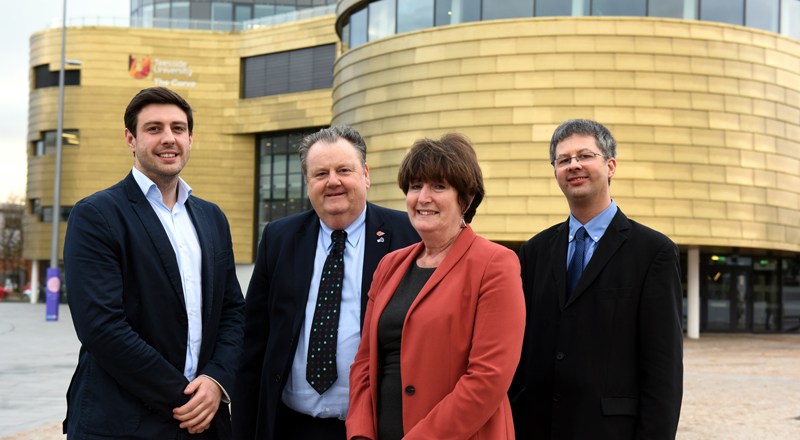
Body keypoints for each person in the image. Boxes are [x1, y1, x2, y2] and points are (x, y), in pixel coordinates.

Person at [62, 87, 246, 439]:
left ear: (191, 138)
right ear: (131, 138)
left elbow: (232, 311)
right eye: (154, 128)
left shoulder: (212, 218)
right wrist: (187, 399)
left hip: (206, 423)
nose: (168, 138)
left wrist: (216, 380)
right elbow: (102, 327)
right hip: (123, 422)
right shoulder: (97, 215)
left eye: (178, 129)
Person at [232, 126, 420, 440]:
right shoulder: (279, 239)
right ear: (308, 183)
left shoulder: (408, 237)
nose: (332, 181)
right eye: (320, 173)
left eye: (344, 170)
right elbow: (253, 342)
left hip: (375, 427)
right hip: (290, 426)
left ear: (366, 175)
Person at [509, 119, 683, 439]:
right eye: (563, 160)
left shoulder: (653, 252)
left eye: (585, 155)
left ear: (611, 166)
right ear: (556, 173)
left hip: (610, 430)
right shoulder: (534, 251)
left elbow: (664, 372)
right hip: (537, 426)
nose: (573, 165)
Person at [346, 133, 526, 440]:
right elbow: (364, 363)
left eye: (438, 186)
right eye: (416, 186)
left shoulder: (496, 264)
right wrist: (361, 433)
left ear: (466, 199)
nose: (423, 197)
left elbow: (488, 378)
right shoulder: (388, 266)